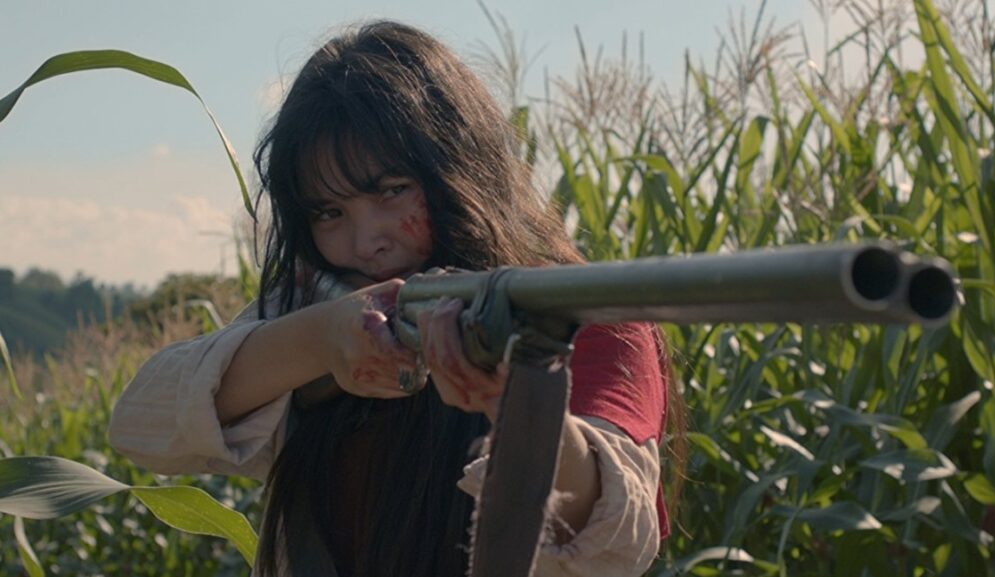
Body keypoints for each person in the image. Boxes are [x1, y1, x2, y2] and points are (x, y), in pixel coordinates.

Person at [109, 20, 676, 577]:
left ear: (460, 171)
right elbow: (142, 427)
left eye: (391, 191)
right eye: (329, 212)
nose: (366, 240)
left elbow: (616, 543)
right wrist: (322, 343)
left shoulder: (585, 318)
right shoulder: (321, 306)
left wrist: (522, 400)